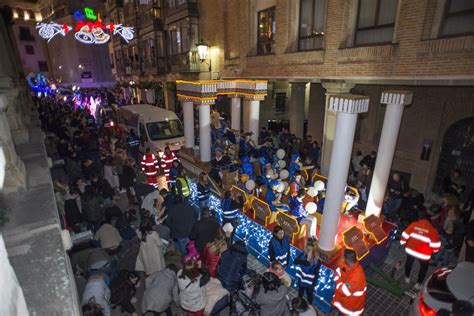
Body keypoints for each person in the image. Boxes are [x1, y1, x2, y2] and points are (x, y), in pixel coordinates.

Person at [401, 213, 441, 289]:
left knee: (409, 262)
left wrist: (403, 243)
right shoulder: (433, 230)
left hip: (411, 250)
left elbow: (405, 234)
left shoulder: (414, 224)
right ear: (430, 221)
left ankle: (407, 278)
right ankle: (418, 284)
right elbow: (435, 245)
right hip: (424, 254)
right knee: (423, 268)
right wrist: (435, 251)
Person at [332, 249, 367, 316]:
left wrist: (337, 279)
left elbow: (343, 291)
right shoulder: (348, 266)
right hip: (345, 305)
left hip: (350, 310)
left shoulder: (356, 278)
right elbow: (339, 270)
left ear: (346, 259)